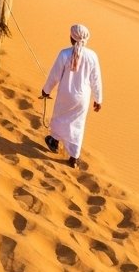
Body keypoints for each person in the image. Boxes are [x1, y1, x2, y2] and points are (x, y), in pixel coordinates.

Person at [41, 24, 103, 170]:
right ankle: (73, 157)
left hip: (65, 94)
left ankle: (54, 142)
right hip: (83, 98)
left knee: (59, 117)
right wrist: (98, 99)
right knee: (78, 125)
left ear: (71, 37)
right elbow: (96, 80)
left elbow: (54, 75)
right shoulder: (92, 56)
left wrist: (46, 90)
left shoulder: (64, 54)